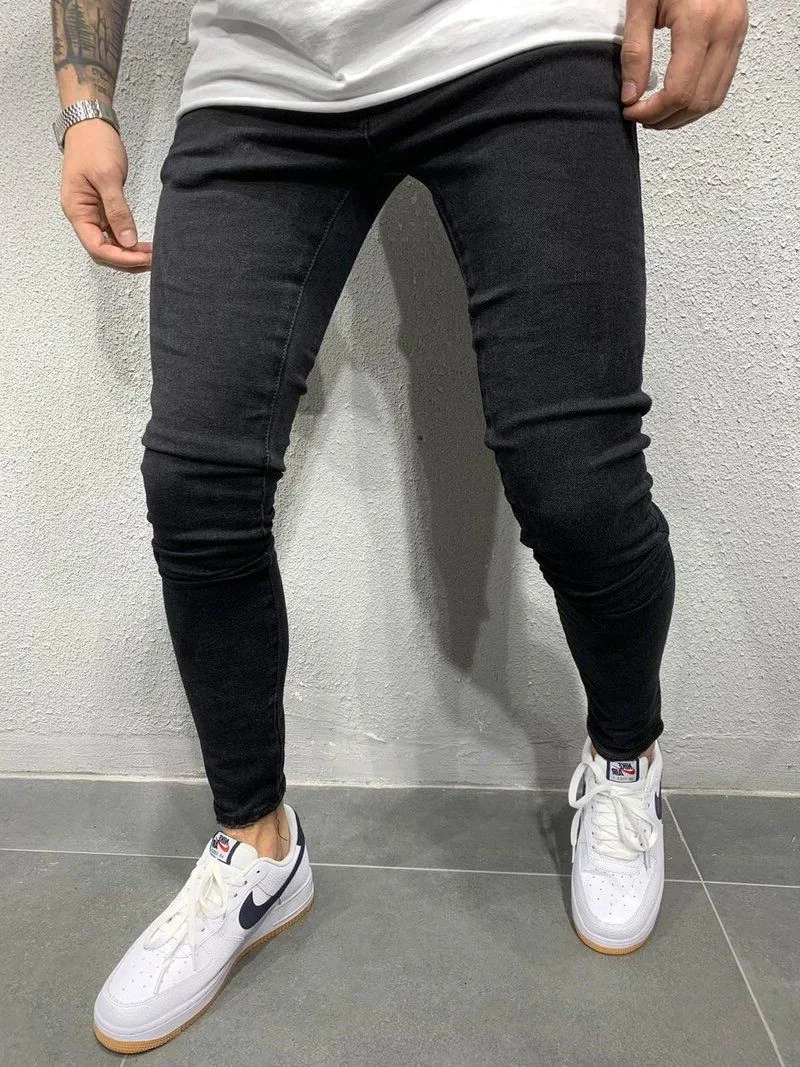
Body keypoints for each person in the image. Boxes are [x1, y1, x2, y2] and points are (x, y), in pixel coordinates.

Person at [51, 0, 748, 1053]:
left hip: (518, 39)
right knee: (196, 481)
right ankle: (257, 848)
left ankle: (624, 756)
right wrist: (85, 106)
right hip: (261, 69)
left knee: (574, 482)